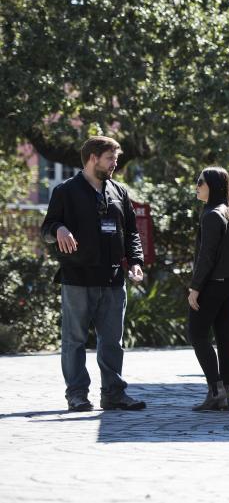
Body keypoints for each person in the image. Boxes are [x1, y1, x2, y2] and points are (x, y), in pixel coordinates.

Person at [40, 136, 146, 412]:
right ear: (93, 158)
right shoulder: (66, 191)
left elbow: (131, 232)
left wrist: (135, 262)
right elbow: (47, 227)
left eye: (115, 159)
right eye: (110, 159)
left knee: (112, 341)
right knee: (74, 341)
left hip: (113, 279)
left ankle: (113, 394)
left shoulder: (120, 192)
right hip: (77, 278)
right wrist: (59, 229)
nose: (114, 164)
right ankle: (76, 395)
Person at [187, 167, 229, 412]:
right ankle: (226, 392)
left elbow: (206, 257)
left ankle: (215, 390)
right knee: (223, 335)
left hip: (215, 282)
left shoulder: (212, 215)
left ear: (213, 185)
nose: (196, 186)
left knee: (197, 334)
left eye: (200, 182)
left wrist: (194, 287)